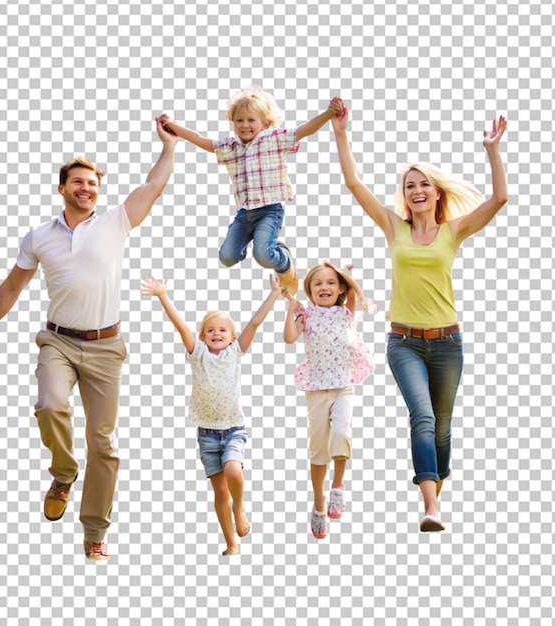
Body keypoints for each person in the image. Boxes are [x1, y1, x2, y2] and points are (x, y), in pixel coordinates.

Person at [0, 119, 178, 560]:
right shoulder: (39, 237)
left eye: (93, 183)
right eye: (78, 182)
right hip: (58, 342)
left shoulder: (115, 222)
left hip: (105, 348)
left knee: (104, 444)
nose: (86, 188)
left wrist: (169, 147)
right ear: (61, 187)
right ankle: (64, 473)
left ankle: (94, 530)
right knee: (49, 405)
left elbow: (153, 186)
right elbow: (11, 288)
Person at [332, 106, 507, 531]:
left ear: (436, 192)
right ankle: (431, 507)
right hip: (404, 342)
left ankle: (436, 489)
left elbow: (499, 198)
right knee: (423, 418)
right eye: (409, 186)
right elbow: (355, 183)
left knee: (442, 429)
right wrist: (341, 133)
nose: (415, 190)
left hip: (448, 344)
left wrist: (492, 151)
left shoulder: (453, 231)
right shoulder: (395, 229)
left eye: (423, 183)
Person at [140, 274, 282, 555]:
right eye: (210, 330)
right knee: (220, 493)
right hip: (206, 433)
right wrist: (162, 295)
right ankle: (231, 544)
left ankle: (239, 507)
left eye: (223, 331)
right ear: (203, 337)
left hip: (233, 429)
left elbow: (254, 322)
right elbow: (180, 326)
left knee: (233, 472)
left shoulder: (235, 353)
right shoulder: (197, 354)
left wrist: (274, 295)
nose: (217, 334)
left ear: (231, 338)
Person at [156, 86, 345, 294]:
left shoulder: (273, 139)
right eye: (239, 120)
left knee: (263, 255)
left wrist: (329, 113)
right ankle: (257, 246)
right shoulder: (230, 147)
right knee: (226, 257)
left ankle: (284, 261)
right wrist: (171, 125)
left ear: (265, 123)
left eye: (250, 120)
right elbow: (200, 140)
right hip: (244, 214)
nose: (244, 125)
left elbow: (306, 129)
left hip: (269, 211)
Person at [282, 261, 376, 538]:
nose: (324, 287)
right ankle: (319, 501)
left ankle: (338, 486)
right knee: (319, 450)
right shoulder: (307, 315)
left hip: (343, 385)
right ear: (309, 292)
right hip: (316, 389)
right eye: (317, 283)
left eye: (331, 283)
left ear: (340, 289)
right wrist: (291, 307)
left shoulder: (347, 312)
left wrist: (340, 271)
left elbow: (355, 292)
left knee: (341, 431)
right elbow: (289, 338)